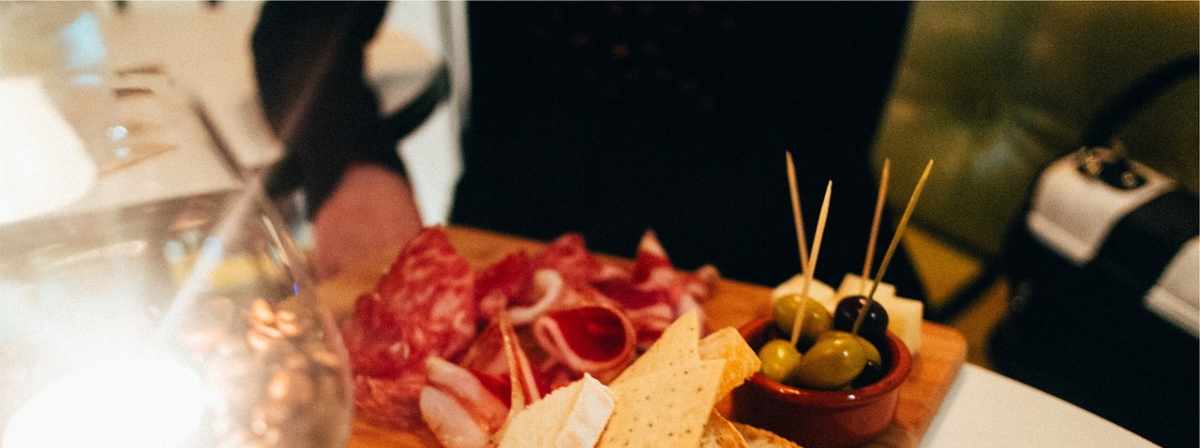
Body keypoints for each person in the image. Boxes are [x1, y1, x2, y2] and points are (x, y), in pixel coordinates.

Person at [253, 1, 923, 299]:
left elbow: (838, 99)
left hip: (787, 249)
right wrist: (352, 166)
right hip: (520, 237)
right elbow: (299, 28)